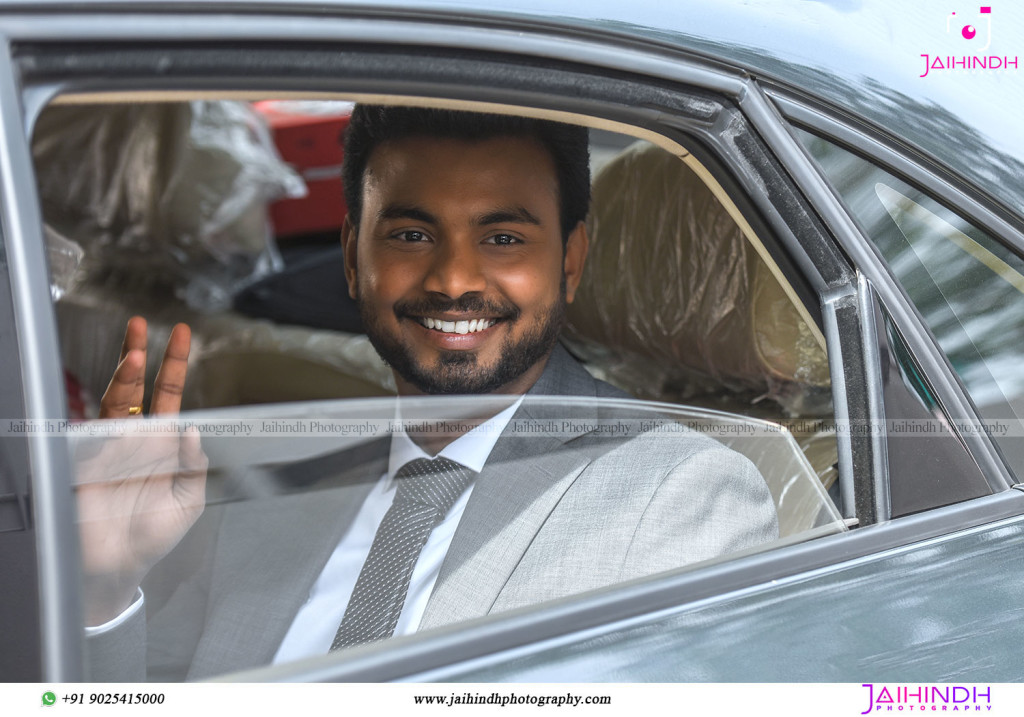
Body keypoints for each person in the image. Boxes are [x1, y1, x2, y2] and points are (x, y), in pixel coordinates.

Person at [80, 105, 778, 681]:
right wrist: (104, 586)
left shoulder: (686, 496)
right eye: (413, 234)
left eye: (502, 237)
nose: (452, 279)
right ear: (354, 258)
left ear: (569, 264)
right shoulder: (270, 483)